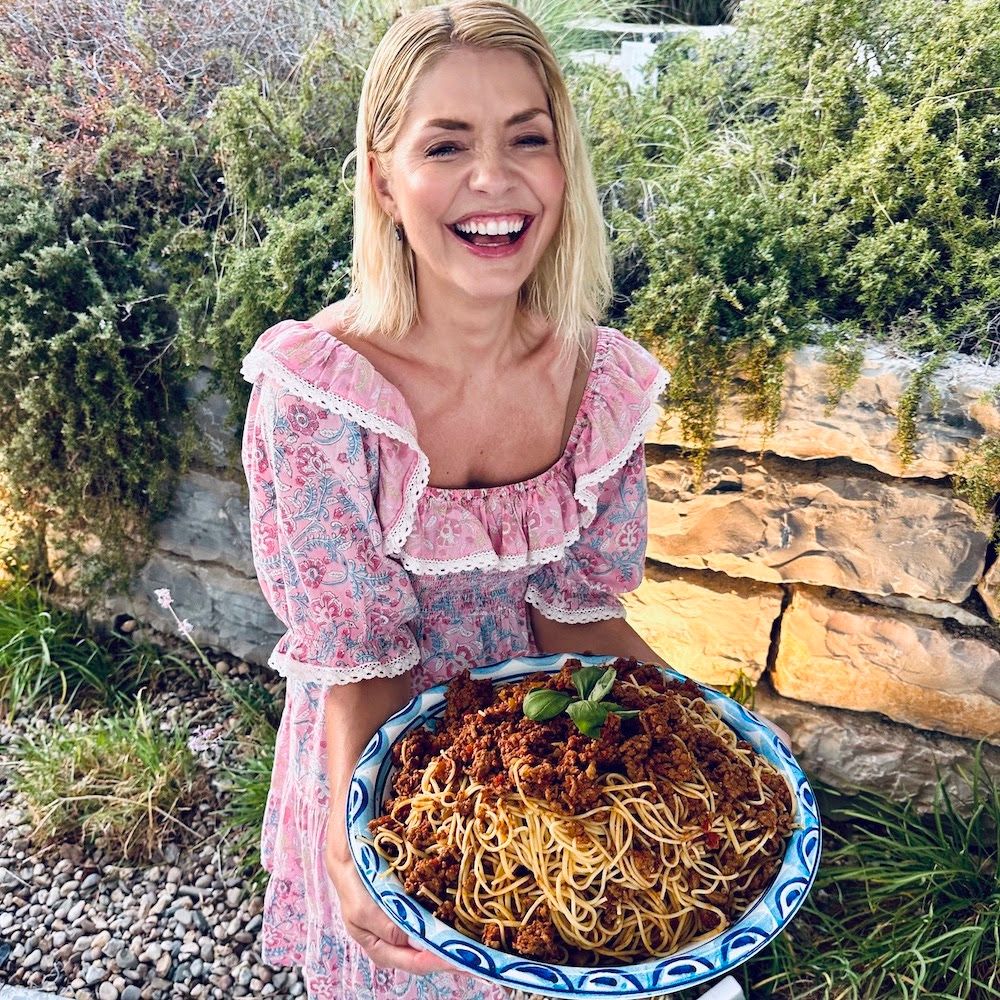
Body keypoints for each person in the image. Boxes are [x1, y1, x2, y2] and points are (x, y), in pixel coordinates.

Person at [239, 1, 671, 996]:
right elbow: (361, 653)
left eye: (529, 138)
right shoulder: (320, 396)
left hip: (553, 761)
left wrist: (719, 737)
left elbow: (582, 615)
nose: (495, 180)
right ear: (383, 176)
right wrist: (364, 836)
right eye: (446, 145)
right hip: (385, 759)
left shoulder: (597, 384)